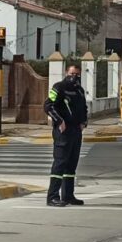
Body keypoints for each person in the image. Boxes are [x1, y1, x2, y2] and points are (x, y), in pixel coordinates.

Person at [43, 64, 88, 207]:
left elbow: (84, 108)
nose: (74, 77)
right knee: (60, 163)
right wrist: (59, 121)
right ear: (66, 73)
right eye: (71, 73)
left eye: (77, 74)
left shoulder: (79, 90)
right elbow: (48, 105)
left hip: (76, 131)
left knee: (71, 165)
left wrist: (84, 122)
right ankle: (52, 197)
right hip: (63, 131)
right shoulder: (59, 87)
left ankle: (68, 196)